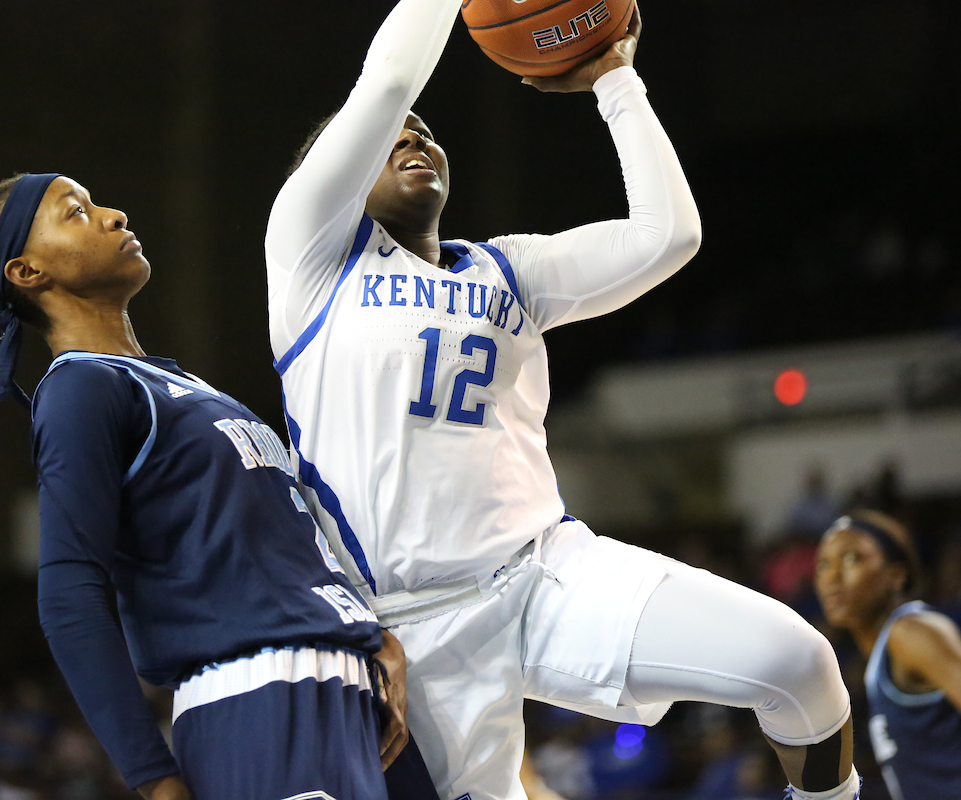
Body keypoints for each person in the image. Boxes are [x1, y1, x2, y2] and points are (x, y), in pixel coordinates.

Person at [266, 2, 860, 799]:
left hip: (545, 575)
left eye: (425, 130)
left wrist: (616, 78)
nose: (411, 134)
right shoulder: (310, 259)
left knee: (798, 662)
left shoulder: (507, 271)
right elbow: (389, 78)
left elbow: (668, 236)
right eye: (388, 135)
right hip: (408, 626)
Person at [0, 173, 412, 800]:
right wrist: (154, 779)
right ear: (27, 272)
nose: (111, 214)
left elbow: (280, 542)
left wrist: (370, 635)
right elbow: (69, 595)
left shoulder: (181, 385)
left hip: (337, 697)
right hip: (259, 703)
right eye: (76, 212)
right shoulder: (82, 388)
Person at [814, 510, 961, 800]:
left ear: (896, 575)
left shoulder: (911, 633)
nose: (832, 576)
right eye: (822, 565)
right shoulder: (881, 655)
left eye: (852, 559)